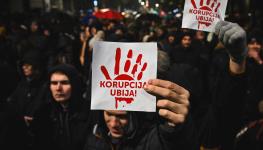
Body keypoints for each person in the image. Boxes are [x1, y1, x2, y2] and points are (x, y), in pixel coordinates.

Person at [84, 79, 196, 150]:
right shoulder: (95, 134)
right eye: (109, 114)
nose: (113, 124)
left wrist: (175, 128)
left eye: (122, 116)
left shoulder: (150, 139)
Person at [200, 21, 248, 150]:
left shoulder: (219, 57)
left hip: (222, 112)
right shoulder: (213, 56)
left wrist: (237, 60)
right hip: (215, 112)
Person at [32, 64, 91, 150]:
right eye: (54, 83)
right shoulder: (43, 113)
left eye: (64, 83)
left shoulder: (89, 112)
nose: (58, 88)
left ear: (74, 85)